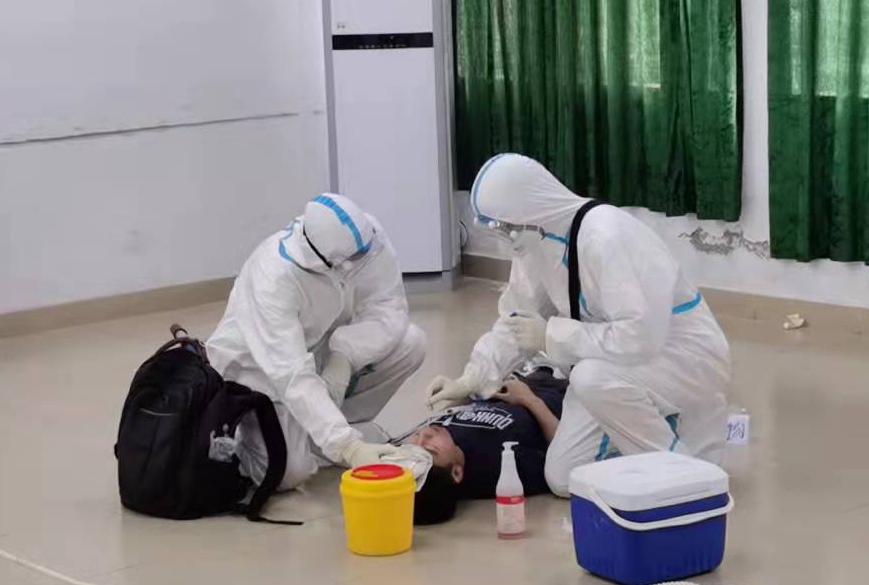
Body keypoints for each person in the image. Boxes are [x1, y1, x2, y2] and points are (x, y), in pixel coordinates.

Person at [426, 154, 731, 497]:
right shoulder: (535, 242)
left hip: (683, 358)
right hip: (615, 364)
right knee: (563, 476)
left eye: (504, 226)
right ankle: (655, 447)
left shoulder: (607, 236)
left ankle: (683, 477)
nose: (504, 236)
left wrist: (552, 336)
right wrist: (472, 377)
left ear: (528, 208)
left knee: (589, 377)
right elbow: (515, 321)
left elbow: (640, 337)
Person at [207, 194, 427, 490]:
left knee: (411, 343)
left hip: (319, 349)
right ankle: (327, 437)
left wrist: (345, 356)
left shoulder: (365, 239)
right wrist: (348, 447)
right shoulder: (274, 277)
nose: (367, 259)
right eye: (356, 260)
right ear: (333, 263)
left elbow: (388, 307)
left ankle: (330, 429)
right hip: (260, 372)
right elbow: (291, 375)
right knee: (287, 474)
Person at [402, 365, 568, 524]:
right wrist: (529, 399)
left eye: (415, 442)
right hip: (553, 383)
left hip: (507, 377)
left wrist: (467, 388)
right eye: (431, 449)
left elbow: (456, 411)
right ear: (456, 472)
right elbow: (562, 458)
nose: (424, 434)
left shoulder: (442, 442)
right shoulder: (500, 465)